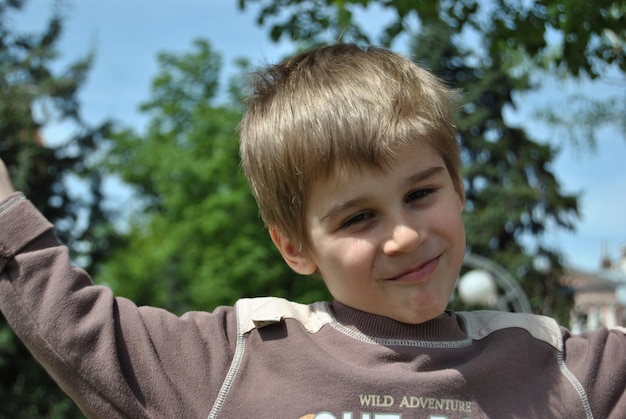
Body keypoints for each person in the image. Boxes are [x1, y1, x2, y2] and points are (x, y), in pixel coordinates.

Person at [0, 44, 624, 419]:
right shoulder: (239, 356)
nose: (404, 235)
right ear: (295, 247)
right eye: (358, 217)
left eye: (421, 193)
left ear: (459, 190)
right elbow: (78, 330)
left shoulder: (562, 363)